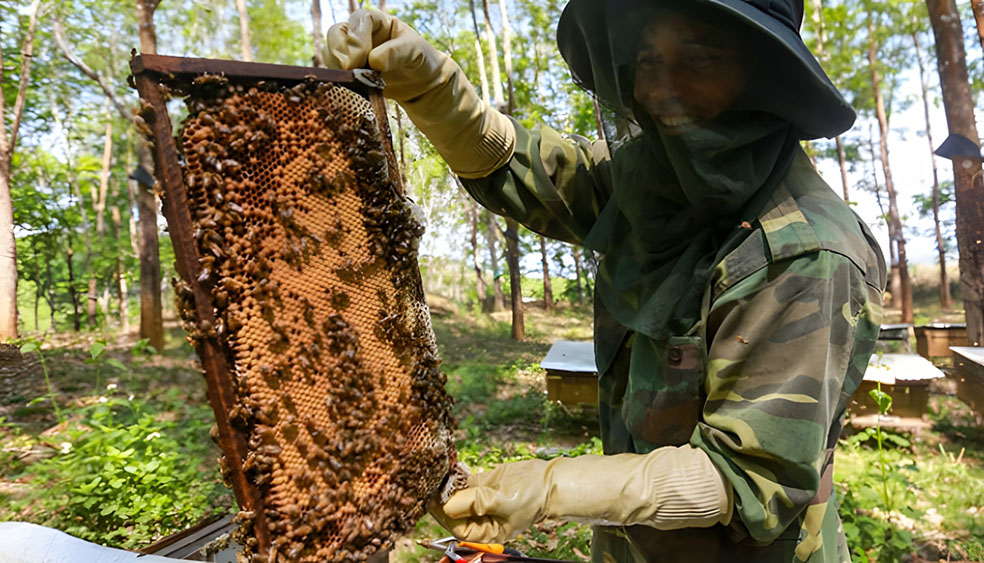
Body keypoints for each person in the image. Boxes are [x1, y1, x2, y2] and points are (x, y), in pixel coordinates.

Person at [325, 1, 885, 561]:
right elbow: (530, 172)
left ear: (764, 78)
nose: (661, 87)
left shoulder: (806, 253)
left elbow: (748, 479)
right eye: (646, 60)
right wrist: (434, 89)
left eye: (698, 59)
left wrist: (553, 489)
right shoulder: (658, 184)